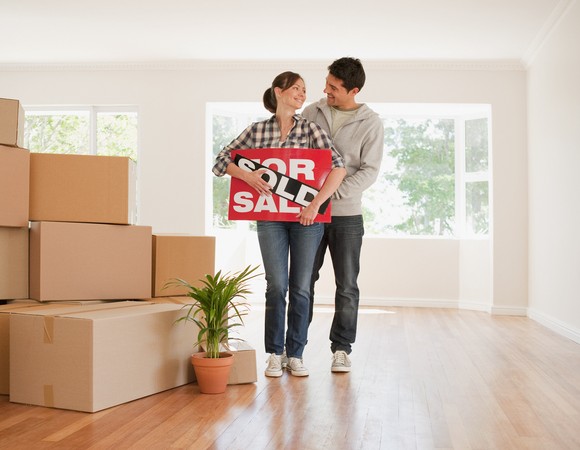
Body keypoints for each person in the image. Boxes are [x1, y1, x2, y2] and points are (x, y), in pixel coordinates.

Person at [213, 71, 346, 378]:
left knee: (301, 289)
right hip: (270, 218)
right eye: (297, 89)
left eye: (304, 90)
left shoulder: (311, 129)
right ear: (279, 91)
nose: (302, 94)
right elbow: (221, 161)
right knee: (276, 287)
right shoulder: (257, 131)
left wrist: (315, 205)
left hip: (306, 220)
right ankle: (275, 353)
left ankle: (295, 354)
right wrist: (247, 175)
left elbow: (338, 168)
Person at [302, 57, 384, 373]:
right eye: (327, 83)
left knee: (347, 284)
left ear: (354, 90)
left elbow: (370, 171)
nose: (326, 90)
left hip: (347, 215)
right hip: (309, 212)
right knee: (303, 280)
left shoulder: (371, 123)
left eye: (334, 87)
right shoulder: (312, 112)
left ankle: (341, 348)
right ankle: (294, 347)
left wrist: (329, 195)